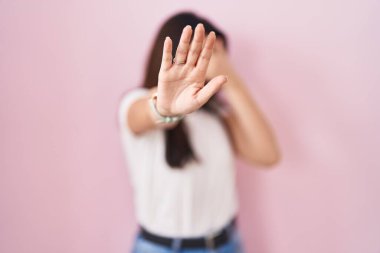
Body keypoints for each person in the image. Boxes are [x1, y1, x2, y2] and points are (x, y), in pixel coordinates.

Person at [117, 12, 281, 253]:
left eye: (222, 54)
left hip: (227, 244)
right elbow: (141, 115)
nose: (218, 61)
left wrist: (232, 80)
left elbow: (268, 155)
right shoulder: (135, 102)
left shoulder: (217, 115)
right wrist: (163, 108)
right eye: (212, 53)